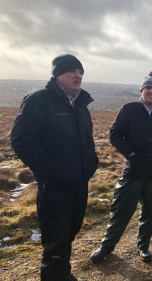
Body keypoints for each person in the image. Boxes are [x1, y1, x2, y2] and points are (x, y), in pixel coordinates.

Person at [10, 54, 98, 281]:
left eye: (81, 72)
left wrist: (91, 164)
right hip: (55, 188)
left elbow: (87, 141)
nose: (78, 75)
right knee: (56, 243)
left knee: (68, 235)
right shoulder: (39, 101)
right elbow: (21, 139)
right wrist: (48, 171)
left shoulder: (80, 106)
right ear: (58, 74)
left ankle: (62, 275)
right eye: (73, 71)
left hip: (79, 184)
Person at [90, 71, 152, 263]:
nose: (151, 92)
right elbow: (115, 134)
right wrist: (131, 154)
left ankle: (143, 247)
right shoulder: (128, 109)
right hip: (133, 173)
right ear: (142, 90)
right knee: (120, 212)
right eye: (148, 88)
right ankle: (106, 246)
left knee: (149, 213)